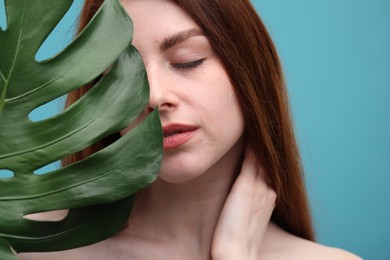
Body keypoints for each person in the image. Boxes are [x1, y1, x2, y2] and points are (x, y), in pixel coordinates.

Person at [19, 0, 360, 259]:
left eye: (187, 60)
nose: (153, 96)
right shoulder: (32, 247)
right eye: (119, 74)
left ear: (250, 69)